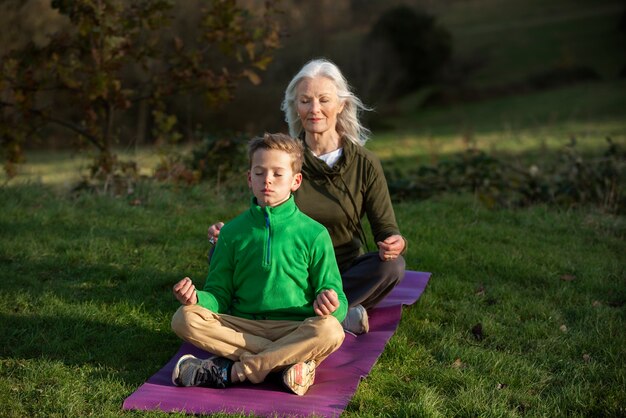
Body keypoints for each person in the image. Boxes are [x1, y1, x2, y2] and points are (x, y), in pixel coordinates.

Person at [208, 58, 406, 335]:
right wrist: (227, 232)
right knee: (220, 248)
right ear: (295, 108)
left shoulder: (366, 163)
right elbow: (264, 214)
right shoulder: (285, 160)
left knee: (393, 267)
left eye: (324, 100)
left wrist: (395, 243)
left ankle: (328, 308)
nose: (314, 109)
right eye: (305, 101)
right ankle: (326, 315)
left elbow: (386, 230)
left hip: (344, 270)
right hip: (290, 269)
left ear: (341, 105)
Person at [171, 133, 347, 396]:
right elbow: (219, 294)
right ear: (249, 179)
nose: (267, 180)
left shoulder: (315, 234)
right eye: (260, 172)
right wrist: (196, 298)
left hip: (296, 327)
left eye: (278, 173)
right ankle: (288, 362)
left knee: (331, 330)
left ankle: (231, 372)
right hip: (243, 327)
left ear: (295, 181)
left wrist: (331, 304)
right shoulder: (231, 232)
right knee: (184, 318)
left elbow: (340, 302)